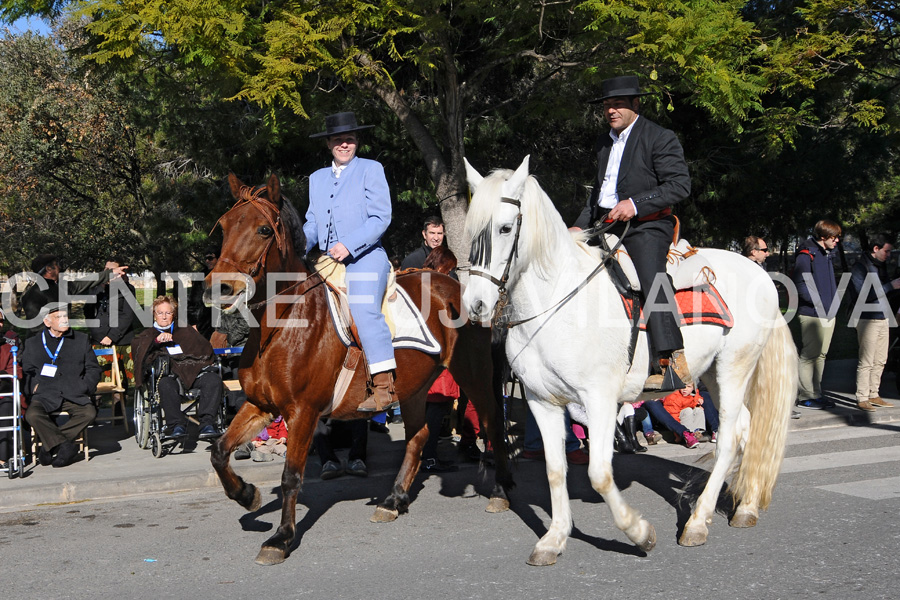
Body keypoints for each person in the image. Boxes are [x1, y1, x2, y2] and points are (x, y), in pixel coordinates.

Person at [573, 75, 692, 392]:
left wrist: (636, 204)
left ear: (635, 104)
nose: (611, 110)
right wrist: (577, 226)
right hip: (605, 223)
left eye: (618, 104)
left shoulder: (659, 137)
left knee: (650, 274)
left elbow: (679, 186)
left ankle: (669, 360)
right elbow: (599, 194)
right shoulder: (603, 143)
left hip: (647, 225)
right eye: (607, 105)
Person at [304, 111, 396, 413]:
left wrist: (350, 244)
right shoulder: (316, 179)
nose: (345, 144)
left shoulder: (371, 169)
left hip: (366, 256)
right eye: (339, 140)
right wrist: (294, 247)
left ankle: (383, 385)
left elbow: (381, 217)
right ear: (329, 143)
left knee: (363, 307)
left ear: (356, 141)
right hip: (327, 259)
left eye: (350, 139)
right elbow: (313, 223)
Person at [131, 295, 223, 439]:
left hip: (193, 372)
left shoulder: (185, 330)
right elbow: (139, 353)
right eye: (160, 313)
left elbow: (205, 349)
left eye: (168, 313)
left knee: (213, 380)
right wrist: (156, 341)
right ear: (154, 315)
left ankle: (207, 424)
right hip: (168, 375)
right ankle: (176, 425)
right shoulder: (147, 335)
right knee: (166, 385)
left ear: (173, 314)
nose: (164, 316)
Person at [21, 303, 101, 467]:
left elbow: (93, 368)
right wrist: (35, 387)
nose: (64, 320)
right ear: (47, 322)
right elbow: (27, 372)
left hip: (74, 392)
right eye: (59, 317)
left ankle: (48, 446)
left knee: (88, 413)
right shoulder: (32, 343)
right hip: (45, 393)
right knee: (32, 415)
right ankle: (65, 446)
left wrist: (84, 386)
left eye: (66, 316)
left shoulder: (81, 339)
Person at [793, 220, 842, 410]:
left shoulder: (826, 254)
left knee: (821, 355)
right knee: (809, 355)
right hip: (812, 313)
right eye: (834, 237)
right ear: (823, 237)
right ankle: (806, 395)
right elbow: (800, 284)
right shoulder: (806, 254)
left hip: (828, 312)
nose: (837, 240)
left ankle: (816, 392)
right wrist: (819, 303)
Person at [848, 233, 900, 412]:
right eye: (886, 251)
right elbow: (863, 295)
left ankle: (874, 393)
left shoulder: (880, 266)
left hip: (883, 316)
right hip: (867, 318)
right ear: (876, 249)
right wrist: (890, 287)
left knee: (880, 359)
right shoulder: (860, 267)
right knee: (867, 359)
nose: (889, 255)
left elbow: (886, 293)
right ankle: (862, 396)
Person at [20, 255, 128, 333]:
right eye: (57, 265)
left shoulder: (61, 287)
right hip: (43, 347)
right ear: (49, 269)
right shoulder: (33, 295)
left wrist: (110, 273)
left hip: (63, 341)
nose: (60, 268)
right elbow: (36, 327)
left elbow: (85, 282)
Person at [85, 260, 138, 347]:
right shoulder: (95, 288)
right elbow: (88, 310)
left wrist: (111, 337)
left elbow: (127, 316)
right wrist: (94, 329)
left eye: (112, 269)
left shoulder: (127, 289)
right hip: (97, 339)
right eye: (106, 268)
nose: (108, 272)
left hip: (121, 342)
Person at [0, 308, 23, 469]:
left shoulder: (8, 347)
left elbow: (16, 373)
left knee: (7, 405)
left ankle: (2, 458)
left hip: (2, 392)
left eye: (1, 320)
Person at [187, 247, 219, 339]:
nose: (207, 261)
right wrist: (193, 323)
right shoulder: (201, 276)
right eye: (206, 259)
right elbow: (193, 301)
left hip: (226, 325)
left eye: (210, 258)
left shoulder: (228, 275)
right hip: (204, 323)